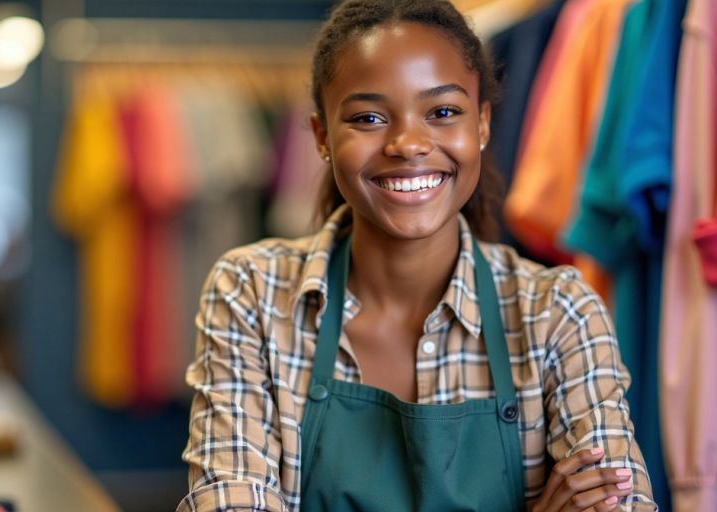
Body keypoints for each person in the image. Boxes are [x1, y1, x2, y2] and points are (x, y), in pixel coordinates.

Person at [179, 1, 657, 510]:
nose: (408, 143)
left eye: (443, 112)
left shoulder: (558, 312)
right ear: (322, 138)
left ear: (483, 125)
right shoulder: (251, 292)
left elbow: (621, 502)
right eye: (368, 117)